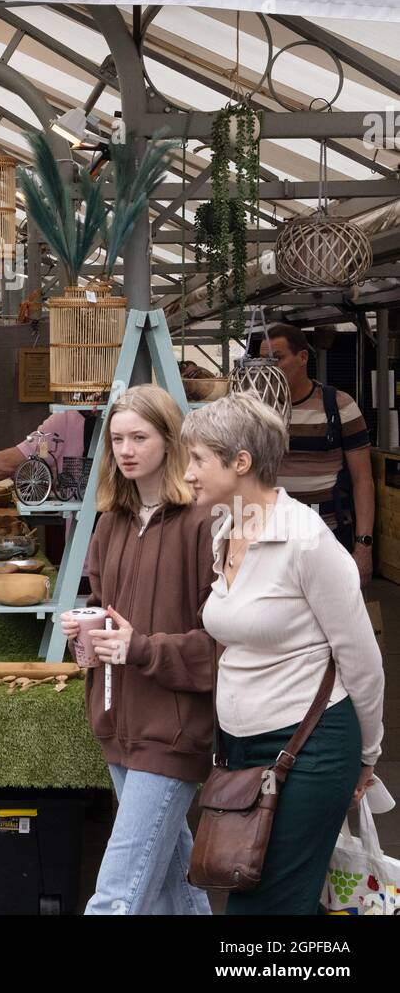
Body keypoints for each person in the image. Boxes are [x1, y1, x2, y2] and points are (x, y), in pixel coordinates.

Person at [181, 392, 384, 916]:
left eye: (199, 459)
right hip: (242, 752)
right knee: (267, 892)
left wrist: (368, 755)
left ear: (241, 462)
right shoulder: (224, 530)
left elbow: (362, 660)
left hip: (310, 749)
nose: (189, 473)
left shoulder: (307, 542)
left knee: (265, 908)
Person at [60, 385, 217, 916]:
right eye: (117, 438)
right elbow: (109, 608)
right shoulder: (110, 523)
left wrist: (140, 648)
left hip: (172, 729)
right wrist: (88, 631)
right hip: (116, 723)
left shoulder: (204, 523)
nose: (125, 450)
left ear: (171, 440)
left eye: (139, 437)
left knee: (116, 895)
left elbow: (218, 643)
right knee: (174, 879)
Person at [259, 322, 374, 584]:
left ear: (302, 357)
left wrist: (364, 544)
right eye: (263, 361)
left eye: (277, 358)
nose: (269, 368)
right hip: (271, 536)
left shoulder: (338, 405)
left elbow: (363, 481)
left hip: (327, 534)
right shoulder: (256, 410)